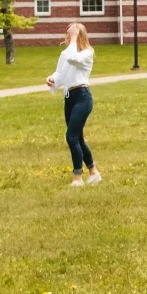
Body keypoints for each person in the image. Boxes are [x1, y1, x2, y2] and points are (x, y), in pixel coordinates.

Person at [45, 22, 102, 186]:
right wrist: (52, 79)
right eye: (69, 34)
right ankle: (94, 172)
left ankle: (77, 178)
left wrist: (74, 38)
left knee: (71, 137)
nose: (70, 37)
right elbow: (61, 73)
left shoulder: (87, 53)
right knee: (78, 138)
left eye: (73, 34)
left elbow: (73, 59)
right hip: (69, 97)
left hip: (82, 97)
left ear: (80, 35)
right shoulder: (65, 53)